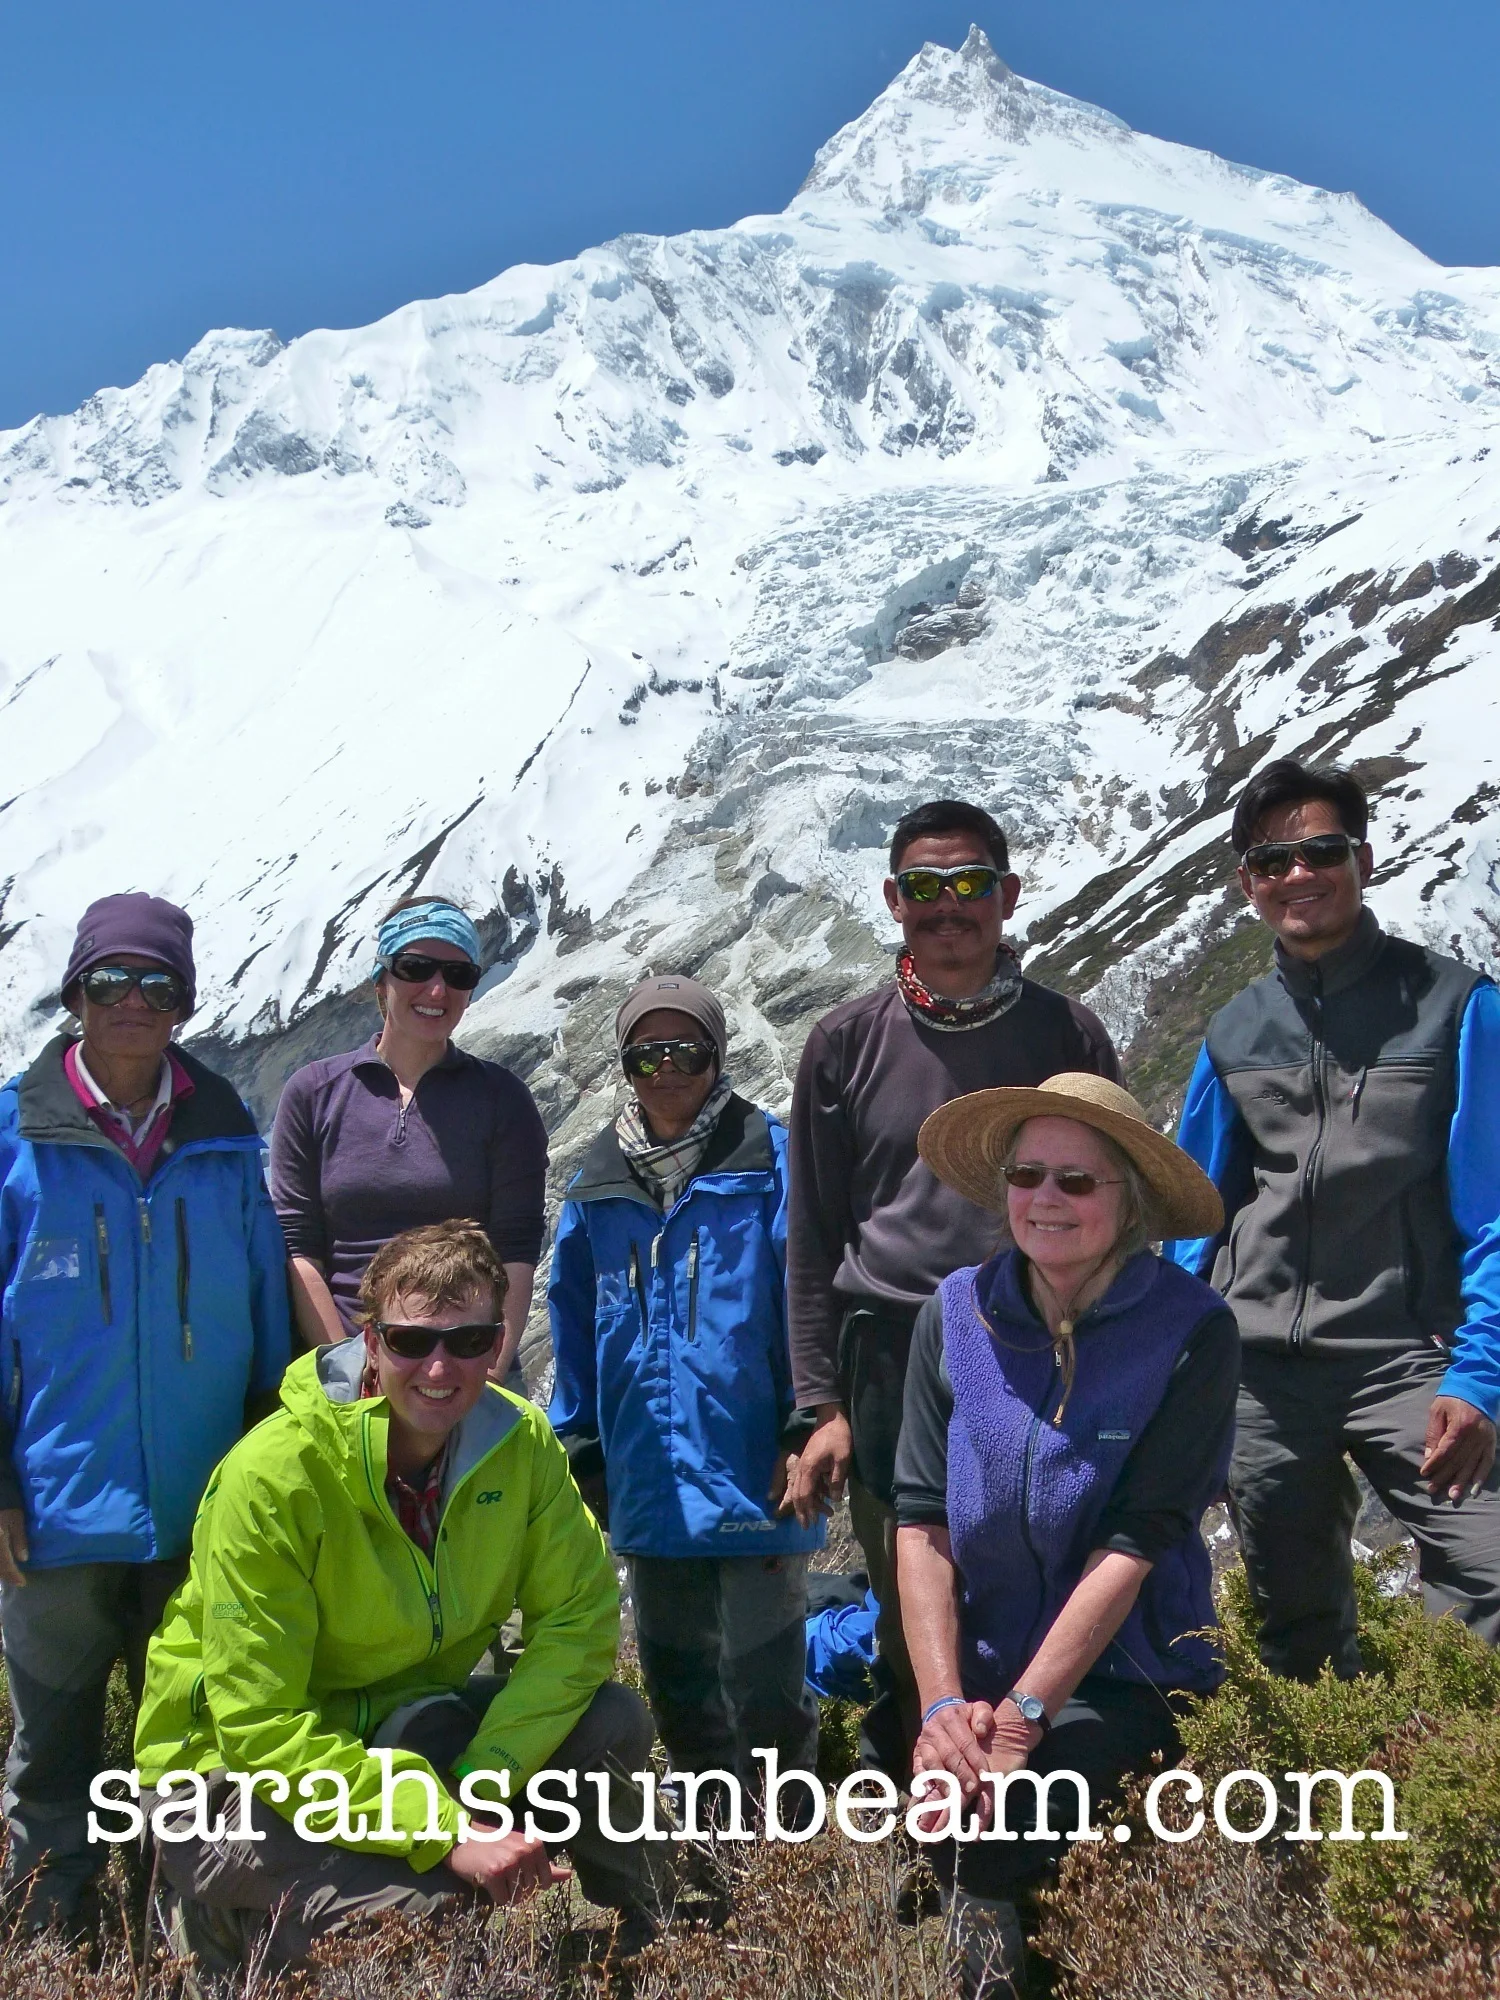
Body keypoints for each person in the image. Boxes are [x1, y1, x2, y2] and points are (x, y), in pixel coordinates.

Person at [135, 1219, 672, 1980]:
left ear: (498, 1346)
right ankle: (229, 1924)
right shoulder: (274, 1477)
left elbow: (579, 1624)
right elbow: (259, 1726)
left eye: (469, 1341)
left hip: (409, 1737)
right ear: (373, 1342)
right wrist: (447, 1832)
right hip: (230, 1777)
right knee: (438, 1913)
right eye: (414, 1342)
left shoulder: (519, 1445)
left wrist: (475, 1785)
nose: (440, 1367)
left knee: (611, 1720)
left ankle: (647, 1956)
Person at [782, 799, 1121, 1769]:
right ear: (893, 899)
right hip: (890, 1354)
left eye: (969, 882)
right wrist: (821, 1404)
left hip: (1041, 1342)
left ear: (1008, 895)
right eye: (923, 887)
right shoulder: (843, 1044)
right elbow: (812, 1233)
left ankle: (1043, 1808)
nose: (947, 905)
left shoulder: (1069, 1033)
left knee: (1046, 1577)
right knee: (908, 1599)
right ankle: (930, 1821)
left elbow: (1120, 1209)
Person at [896, 1073, 1235, 1998]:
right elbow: (920, 1515)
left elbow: (1135, 1541)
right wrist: (941, 1708)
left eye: (1078, 1183)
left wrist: (1023, 1718)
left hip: (1130, 1671)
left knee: (997, 1834)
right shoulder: (954, 1313)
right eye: (1028, 1174)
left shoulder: (1192, 1331)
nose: (1045, 1199)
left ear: (1129, 1205)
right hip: (976, 1677)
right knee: (932, 1823)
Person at [1168, 759, 1500, 1679]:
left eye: (1320, 851)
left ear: (1362, 857)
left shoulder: (1458, 1008)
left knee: (1487, 1582)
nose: (1298, 875)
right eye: (1273, 860)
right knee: (1292, 1625)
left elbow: (1496, 1211)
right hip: (1265, 1372)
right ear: (1247, 882)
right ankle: (1330, 1810)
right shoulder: (1234, 1032)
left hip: (1413, 1360)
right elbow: (1197, 1215)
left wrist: (1480, 1378)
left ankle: (1456, 1799)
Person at [0, 894, 290, 1932]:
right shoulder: (12, 1138)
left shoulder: (223, 1142)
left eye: (156, 983)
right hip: (54, 1515)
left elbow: (265, 1327)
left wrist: (263, 1493)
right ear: (77, 992)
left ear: (184, 1003)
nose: (132, 1001)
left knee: (196, 1761)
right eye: (112, 980)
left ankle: (185, 1949)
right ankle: (49, 1952)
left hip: (202, 1518)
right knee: (53, 1764)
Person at [548, 975, 822, 1807]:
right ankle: (715, 1861)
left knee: (767, 1690)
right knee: (681, 1691)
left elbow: (803, 1298)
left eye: (687, 1051)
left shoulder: (769, 1161)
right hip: (645, 1480)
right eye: (646, 1054)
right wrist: (583, 1446)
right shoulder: (595, 1187)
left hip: (756, 1472)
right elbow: (572, 1322)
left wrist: (804, 1426)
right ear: (625, 1064)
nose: (667, 1069)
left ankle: (789, 1875)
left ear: (716, 1056)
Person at [271, 896, 547, 1379]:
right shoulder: (314, 1093)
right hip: (345, 1363)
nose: (438, 989)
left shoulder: (503, 1099)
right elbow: (300, 1246)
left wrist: (487, 1378)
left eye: (459, 975)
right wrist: (348, 1370)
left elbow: (516, 1250)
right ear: (383, 979)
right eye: (416, 967)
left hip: (466, 1361)